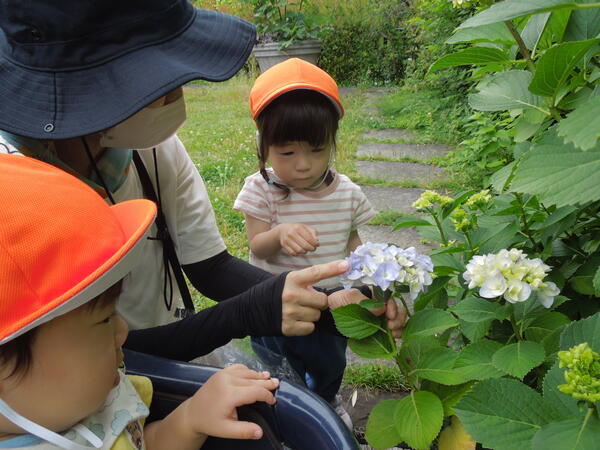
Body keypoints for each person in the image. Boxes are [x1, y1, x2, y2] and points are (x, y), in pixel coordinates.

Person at [0, 0, 406, 364]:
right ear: (90, 88)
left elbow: (210, 266)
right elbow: (82, 360)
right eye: (159, 80)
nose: (178, 94)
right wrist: (245, 312)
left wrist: (332, 305)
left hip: (175, 346)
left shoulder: (149, 146)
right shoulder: (16, 189)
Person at [0, 154, 280, 449]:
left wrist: (189, 420)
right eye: (104, 319)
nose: (123, 331)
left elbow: (142, 442)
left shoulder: (83, 402)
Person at [233, 58, 377, 426]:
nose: (303, 165)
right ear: (264, 144)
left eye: (317, 149)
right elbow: (257, 245)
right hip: (274, 300)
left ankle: (327, 400)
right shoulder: (260, 190)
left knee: (330, 360)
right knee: (277, 363)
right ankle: (285, 413)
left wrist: (369, 279)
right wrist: (279, 234)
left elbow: (354, 243)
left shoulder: (346, 193)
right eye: (287, 153)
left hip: (331, 302)